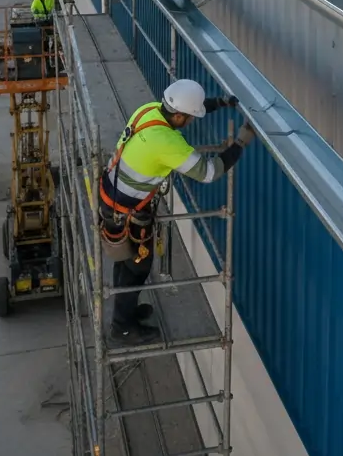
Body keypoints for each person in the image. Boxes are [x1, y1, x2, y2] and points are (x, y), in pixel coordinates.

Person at [99, 79, 256, 344]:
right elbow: (209, 172)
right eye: (191, 117)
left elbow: (187, 108)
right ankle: (122, 327)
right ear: (180, 116)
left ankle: (125, 312)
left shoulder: (149, 110)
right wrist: (240, 143)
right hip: (126, 211)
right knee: (137, 267)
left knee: (126, 261)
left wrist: (219, 102)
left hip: (113, 198)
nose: (192, 121)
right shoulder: (166, 142)